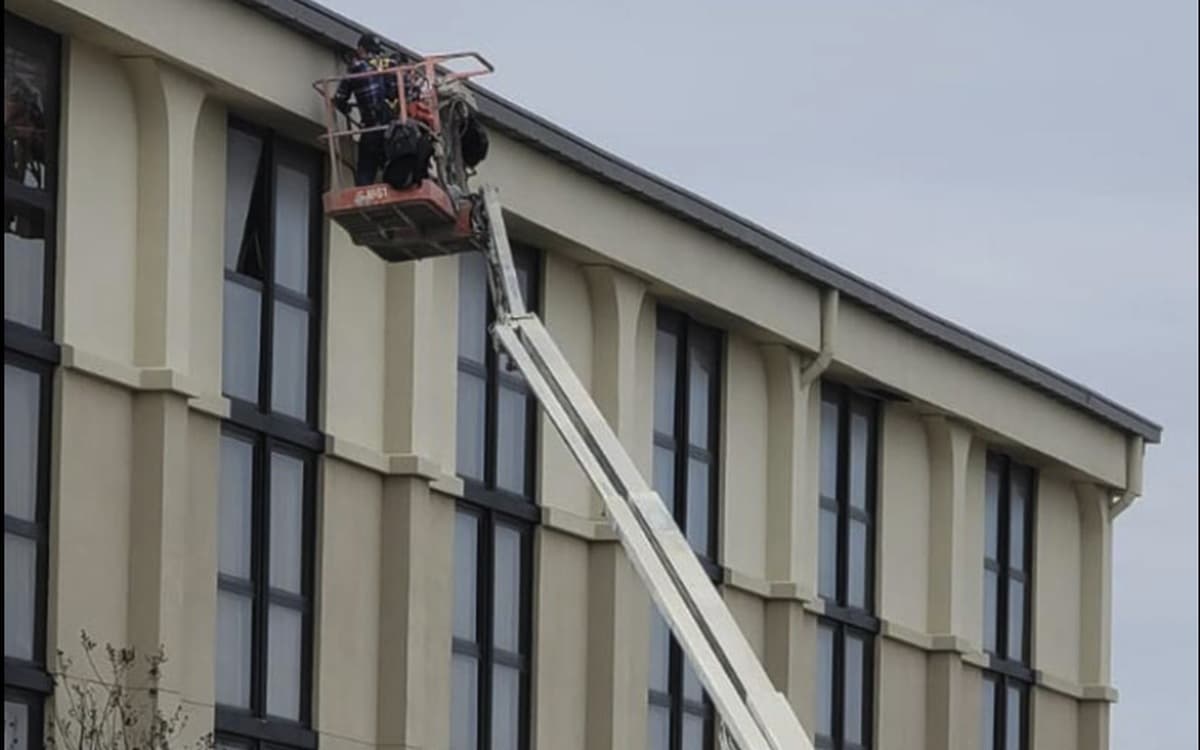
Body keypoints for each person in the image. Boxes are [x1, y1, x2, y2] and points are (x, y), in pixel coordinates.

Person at [333, 34, 400, 186]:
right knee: (391, 164)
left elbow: (340, 97)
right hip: (392, 126)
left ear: (360, 49)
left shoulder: (356, 67)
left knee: (366, 167)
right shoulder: (391, 65)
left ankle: (364, 195)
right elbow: (397, 92)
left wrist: (344, 107)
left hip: (371, 124)